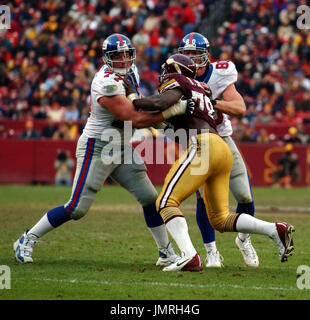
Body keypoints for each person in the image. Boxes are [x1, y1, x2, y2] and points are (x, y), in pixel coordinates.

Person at [13, 33, 189, 265]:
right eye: (118, 56)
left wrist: (163, 120)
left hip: (121, 145)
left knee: (150, 198)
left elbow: (140, 104)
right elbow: (134, 118)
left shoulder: (131, 72)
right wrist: (172, 111)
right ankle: (27, 238)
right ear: (107, 58)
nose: (124, 60)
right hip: (98, 147)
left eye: (127, 54)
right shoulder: (105, 82)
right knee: (77, 208)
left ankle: (165, 252)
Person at [126, 53, 294, 272]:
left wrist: (133, 99)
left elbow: (161, 102)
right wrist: (163, 120)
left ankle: (189, 255)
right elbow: (179, 120)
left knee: (165, 202)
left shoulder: (180, 82)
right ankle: (275, 229)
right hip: (221, 148)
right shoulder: (200, 88)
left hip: (204, 146)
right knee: (220, 219)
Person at [178, 32, 258, 268]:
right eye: (188, 53)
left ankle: (243, 238)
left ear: (207, 56)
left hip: (222, 137)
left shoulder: (221, 72)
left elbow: (240, 108)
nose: (192, 58)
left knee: (244, 195)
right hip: (197, 140)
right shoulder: (175, 78)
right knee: (204, 198)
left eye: (196, 54)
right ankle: (211, 252)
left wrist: (212, 102)